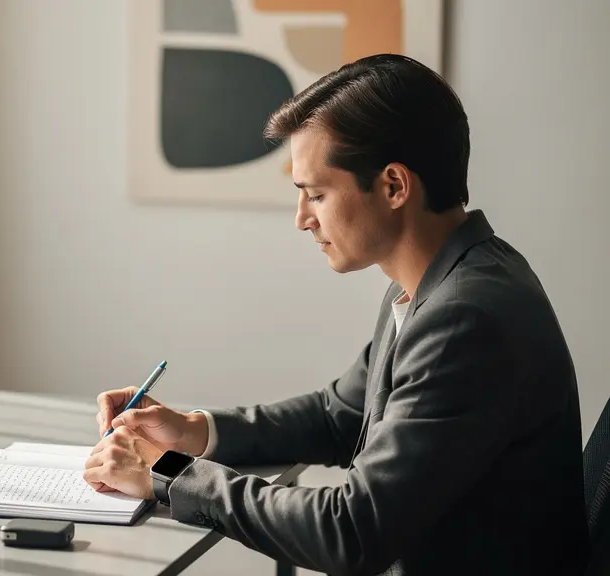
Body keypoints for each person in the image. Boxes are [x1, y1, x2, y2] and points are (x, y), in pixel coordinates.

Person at [83, 54, 589, 575]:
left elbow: (351, 531)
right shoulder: (444, 279)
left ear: (393, 186)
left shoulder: (465, 316)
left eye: (317, 194)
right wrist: (190, 430)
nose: (302, 219)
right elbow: (339, 415)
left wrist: (167, 474)